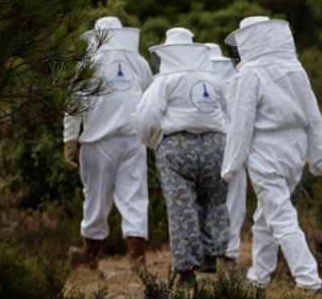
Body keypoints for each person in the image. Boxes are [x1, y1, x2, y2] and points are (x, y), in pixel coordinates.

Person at [220, 16, 322, 292]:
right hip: (295, 150)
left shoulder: (249, 73)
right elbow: (312, 114)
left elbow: (241, 123)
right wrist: (320, 154)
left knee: (281, 217)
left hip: (265, 151)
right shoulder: (295, 68)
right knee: (265, 216)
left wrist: (231, 165)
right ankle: (259, 275)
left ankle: (309, 281)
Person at [134, 27, 230, 283]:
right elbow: (228, 112)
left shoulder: (164, 81)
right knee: (214, 199)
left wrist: (152, 142)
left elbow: (146, 118)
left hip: (177, 147)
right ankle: (212, 254)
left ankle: (186, 270)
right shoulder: (214, 80)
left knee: (181, 207)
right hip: (215, 145)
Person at [63, 16, 153, 272]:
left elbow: (72, 106)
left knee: (94, 201)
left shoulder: (87, 63)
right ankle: (138, 261)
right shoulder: (138, 61)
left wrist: (70, 140)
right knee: (134, 198)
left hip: (97, 143)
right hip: (132, 141)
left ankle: (90, 259)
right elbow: (151, 99)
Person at [207, 42, 247, 266]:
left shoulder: (196, 78)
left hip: (206, 143)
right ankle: (229, 254)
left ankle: (207, 252)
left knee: (206, 200)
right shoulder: (237, 76)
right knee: (233, 200)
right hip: (234, 142)